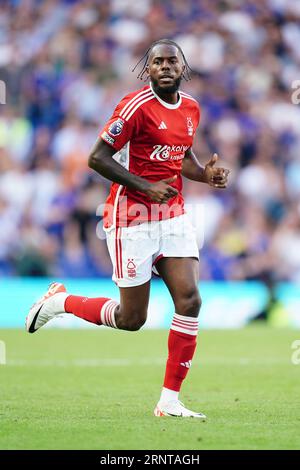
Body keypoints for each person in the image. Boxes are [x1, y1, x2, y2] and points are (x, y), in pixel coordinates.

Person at [25, 39, 230, 418]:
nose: (166, 67)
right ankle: (59, 302)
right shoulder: (134, 107)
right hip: (130, 219)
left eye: (173, 62)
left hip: (173, 215)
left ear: (183, 69)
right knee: (131, 319)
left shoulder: (191, 108)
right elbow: (96, 158)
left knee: (190, 300)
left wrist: (205, 174)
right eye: (158, 62)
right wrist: (144, 185)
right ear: (147, 69)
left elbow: (181, 156)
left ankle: (169, 401)